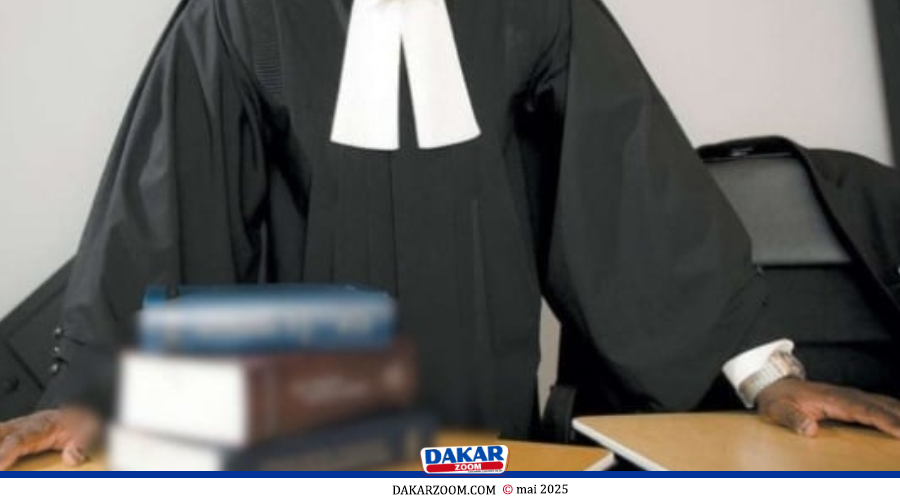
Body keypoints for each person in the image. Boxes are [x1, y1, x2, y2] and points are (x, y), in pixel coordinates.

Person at [2, 0, 900, 471]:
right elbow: (166, 205)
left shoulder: (536, 9)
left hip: (487, 431)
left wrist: (767, 377)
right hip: (295, 437)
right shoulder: (241, 13)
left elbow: (633, 182)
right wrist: (94, 389)